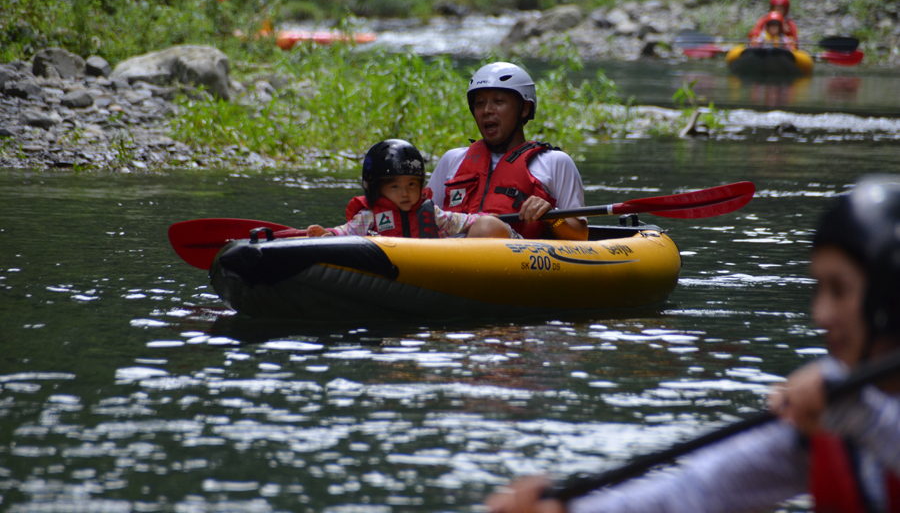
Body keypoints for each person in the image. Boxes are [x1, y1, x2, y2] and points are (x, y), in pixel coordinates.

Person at [485, 175, 900, 513]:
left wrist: (856, 412)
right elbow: (694, 493)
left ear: (889, 294)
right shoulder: (827, 404)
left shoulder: (840, 403)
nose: (822, 314)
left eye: (839, 291)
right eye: (818, 290)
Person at [426, 62, 589, 241]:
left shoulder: (555, 163)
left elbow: (580, 236)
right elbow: (420, 215)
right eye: (480, 103)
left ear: (524, 109)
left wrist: (552, 218)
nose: (487, 110)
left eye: (499, 101)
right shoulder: (452, 159)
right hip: (449, 254)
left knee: (486, 227)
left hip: (521, 257)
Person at [307, 139, 510, 239]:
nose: (405, 193)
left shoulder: (432, 213)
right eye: (395, 186)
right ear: (377, 188)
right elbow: (346, 232)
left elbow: (461, 221)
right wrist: (329, 234)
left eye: (411, 185)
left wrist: (487, 217)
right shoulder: (368, 218)